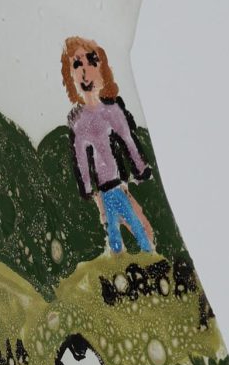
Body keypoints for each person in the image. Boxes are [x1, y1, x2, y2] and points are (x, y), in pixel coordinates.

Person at [61, 37, 157, 253]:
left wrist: (141, 168)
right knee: (113, 227)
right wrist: (86, 188)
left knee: (134, 222)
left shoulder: (112, 111)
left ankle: (145, 250)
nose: (84, 71)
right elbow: (80, 159)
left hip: (117, 184)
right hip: (103, 190)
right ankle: (122, 254)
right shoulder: (79, 123)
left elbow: (128, 141)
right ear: (70, 75)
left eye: (91, 62)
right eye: (77, 64)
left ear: (102, 69)